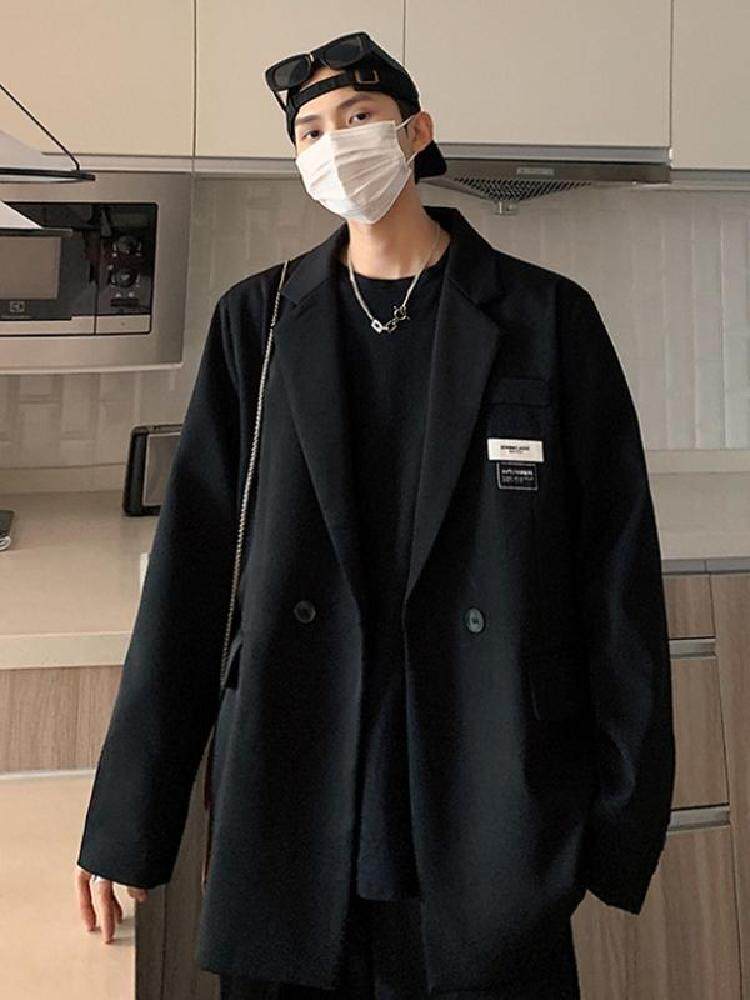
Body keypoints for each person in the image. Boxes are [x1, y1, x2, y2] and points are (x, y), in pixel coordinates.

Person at [75, 30, 675, 1000]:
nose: (334, 144)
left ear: (416, 132)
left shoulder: (546, 319)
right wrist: (125, 824)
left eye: (356, 117)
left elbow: (618, 580)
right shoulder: (259, 324)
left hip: (488, 793)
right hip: (298, 787)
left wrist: (618, 819)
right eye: (310, 130)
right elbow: (190, 578)